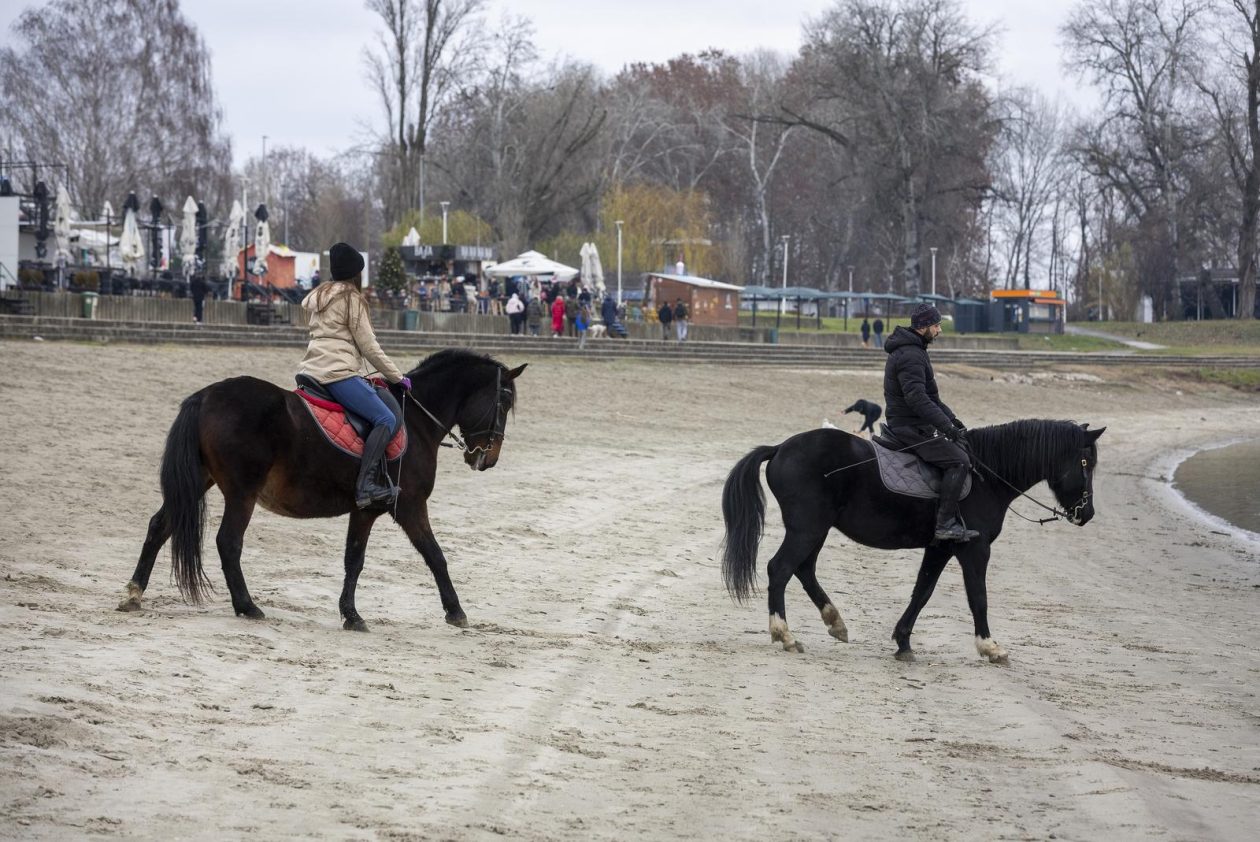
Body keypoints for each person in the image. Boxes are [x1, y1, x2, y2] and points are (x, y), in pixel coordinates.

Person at [298, 242, 411, 510]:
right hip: (336, 374)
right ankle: (366, 485)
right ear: (355, 273)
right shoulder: (351, 299)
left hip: (310, 370)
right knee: (386, 417)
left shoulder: (320, 295)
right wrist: (397, 377)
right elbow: (369, 347)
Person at [883, 303, 976, 542]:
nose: (939, 331)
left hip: (914, 421)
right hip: (908, 425)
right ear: (923, 327)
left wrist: (953, 421)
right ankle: (944, 524)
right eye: (936, 326)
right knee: (959, 461)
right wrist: (946, 428)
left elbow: (933, 398)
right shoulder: (911, 355)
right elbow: (917, 399)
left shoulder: (916, 350)